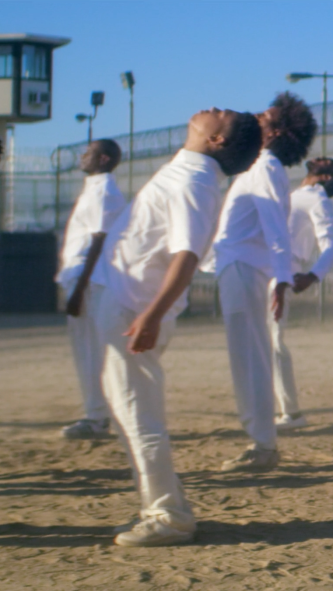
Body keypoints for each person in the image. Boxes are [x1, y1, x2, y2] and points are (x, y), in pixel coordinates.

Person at [92, 107, 262, 546]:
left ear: (218, 140)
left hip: (134, 311)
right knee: (130, 413)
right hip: (127, 303)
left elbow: (186, 255)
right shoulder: (187, 171)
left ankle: (169, 516)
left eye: (221, 115)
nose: (213, 109)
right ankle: (163, 507)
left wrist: (151, 314)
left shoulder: (194, 182)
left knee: (138, 413)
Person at [206, 92, 317, 472]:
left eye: (265, 117)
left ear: (276, 132)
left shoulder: (267, 166)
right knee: (248, 357)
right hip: (238, 266)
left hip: (245, 269)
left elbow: (276, 228)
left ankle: (263, 445)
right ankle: (261, 442)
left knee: (249, 358)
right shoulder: (257, 165)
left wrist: (282, 282)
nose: (256, 116)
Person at [56, 139, 128, 440]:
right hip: (80, 277)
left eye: (88, 153)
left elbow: (98, 241)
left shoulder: (105, 191)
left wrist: (78, 290)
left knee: (89, 351)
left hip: (89, 281)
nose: (82, 157)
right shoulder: (94, 187)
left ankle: (97, 417)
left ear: (103, 159)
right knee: (85, 350)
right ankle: (97, 413)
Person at [272, 157, 333, 431]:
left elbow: (332, 246)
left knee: (273, 342)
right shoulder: (296, 194)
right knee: (263, 342)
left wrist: (313, 276)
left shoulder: (317, 199)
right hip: (265, 268)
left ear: (326, 177)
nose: (319, 157)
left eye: (327, 162)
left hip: (281, 272)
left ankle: (291, 414)